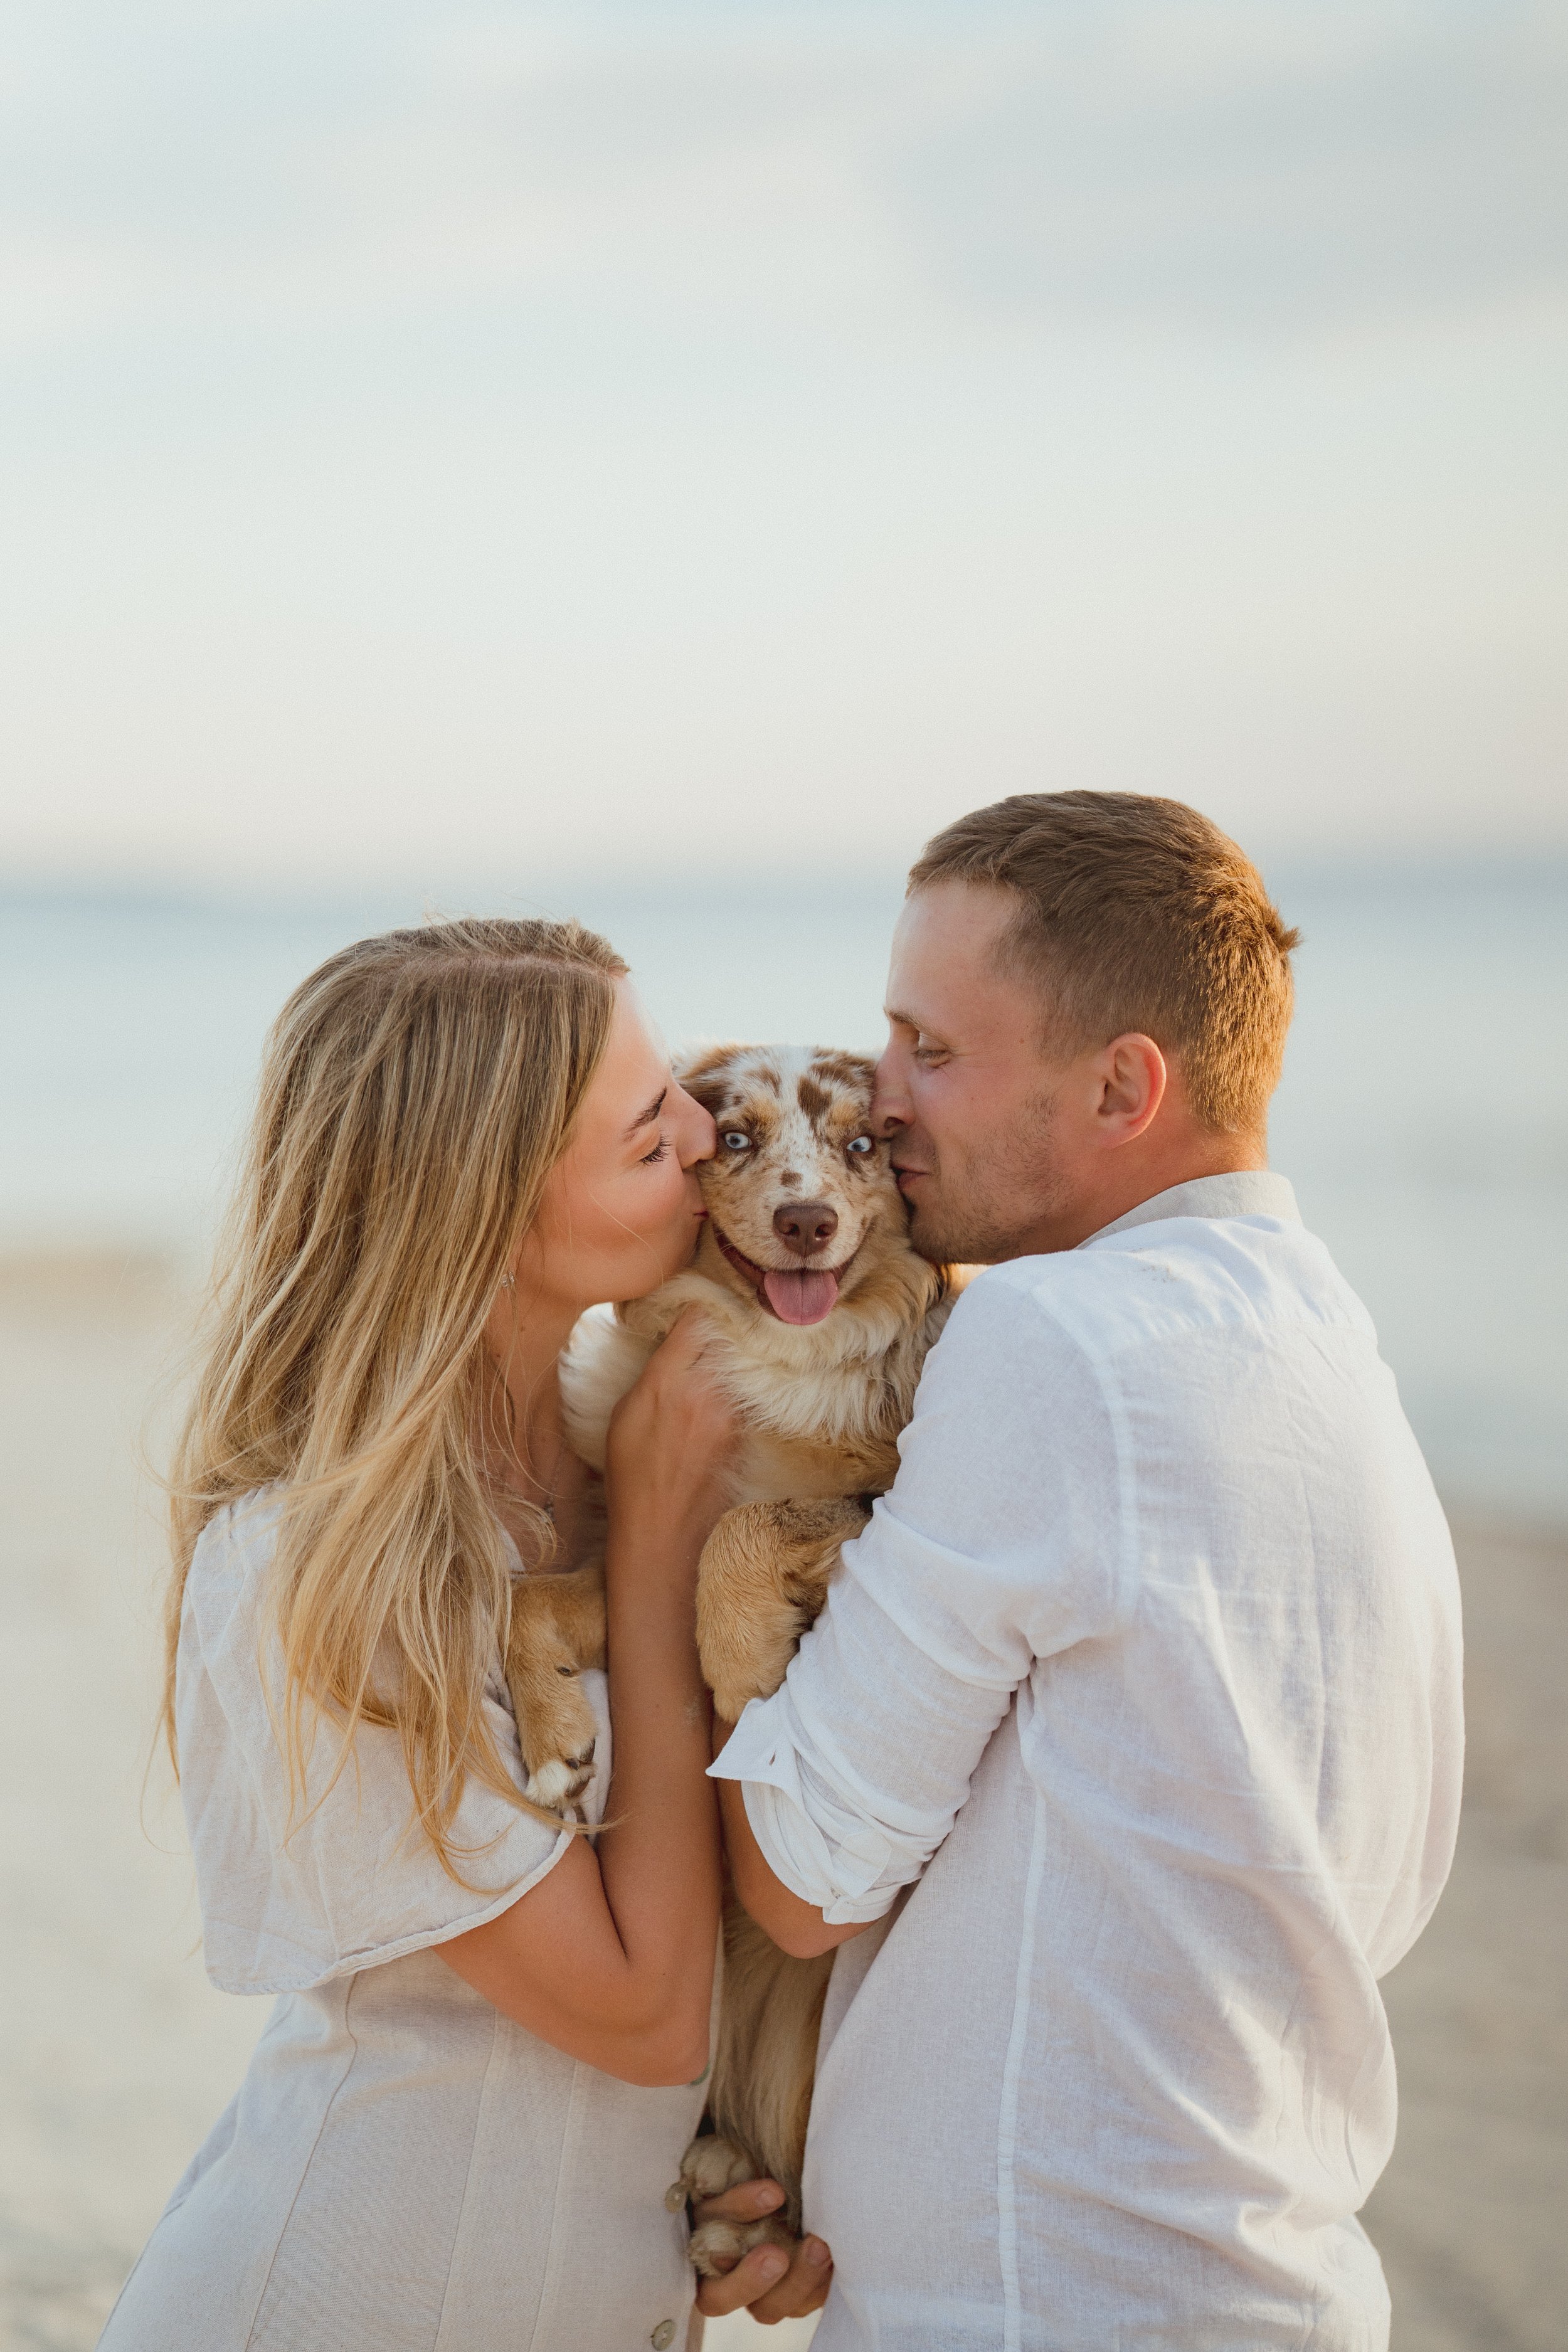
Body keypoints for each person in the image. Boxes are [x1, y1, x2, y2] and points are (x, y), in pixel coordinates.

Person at [712, 792, 1463, 2349]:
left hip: (1042, 2303)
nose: (884, 1105)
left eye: (932, 1049)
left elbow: (798, 1875)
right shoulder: (1332, 1357)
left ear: (1123, 1085)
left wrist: (678, 1523)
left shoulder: (1053, 1338)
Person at [99, 915, 828, 2352]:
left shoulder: (613, 1474)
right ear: (488, 1213)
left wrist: (747, 2165)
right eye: (646, 1132)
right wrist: (658, 1549)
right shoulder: (318, 1563)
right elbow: (639, 2019)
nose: (704, 1135)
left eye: (679, 1088)